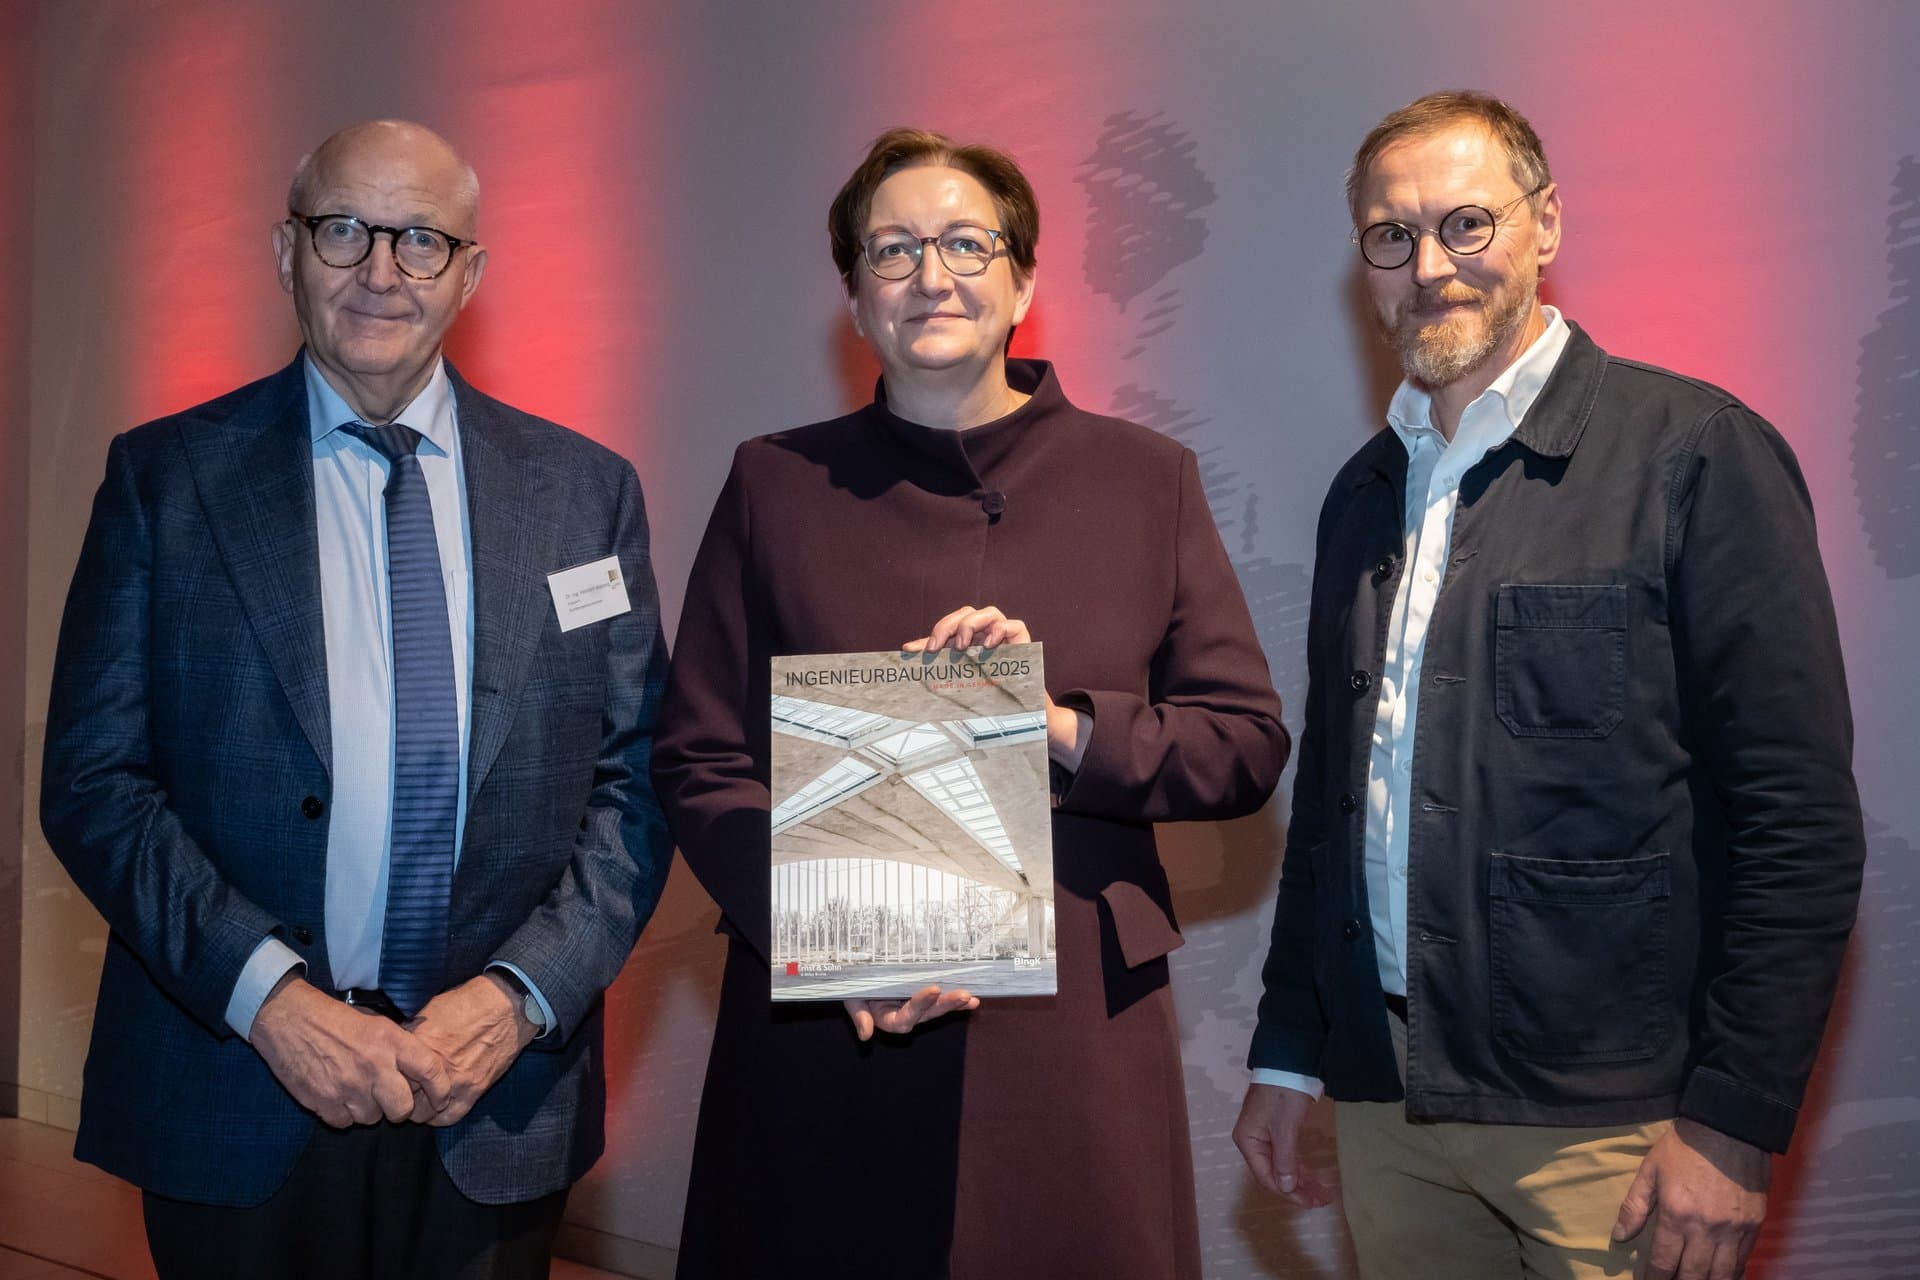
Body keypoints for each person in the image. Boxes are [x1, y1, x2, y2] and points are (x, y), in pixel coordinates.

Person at [1234, 90, 1865, 1280]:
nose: (1430, 265)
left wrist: (1732, 1120)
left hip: (1617, 1132)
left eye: (1468, 223)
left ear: (1546, 225)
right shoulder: (1363, 491)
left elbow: (1799, 821)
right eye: (1391, 236)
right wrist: (1289, 1052)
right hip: (1387, 1110)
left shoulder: (1696, 453)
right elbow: (1335, 794)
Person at [39, 120, 672, 1279]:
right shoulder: (164, 479)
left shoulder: (588, 494)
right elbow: (92, 780)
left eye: (421, 239)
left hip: (493, 1091)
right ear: (285, 254)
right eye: (344, 230)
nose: (381, 271)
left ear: (470, 272)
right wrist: (271, 999)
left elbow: (633, 785)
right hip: (235, 1083)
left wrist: (519, 998)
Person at [652, 127, 1288, 1280]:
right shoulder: (775, 482)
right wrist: (826, 940)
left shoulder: (1146, 478)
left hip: (1074, 1018)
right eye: (890, 251)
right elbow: (700, 754)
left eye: (964, 242)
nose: (930, 275)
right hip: (832, 1014)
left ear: (1024, 279)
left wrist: (1060, 730)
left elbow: (1243, 741)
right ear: (853, 298)